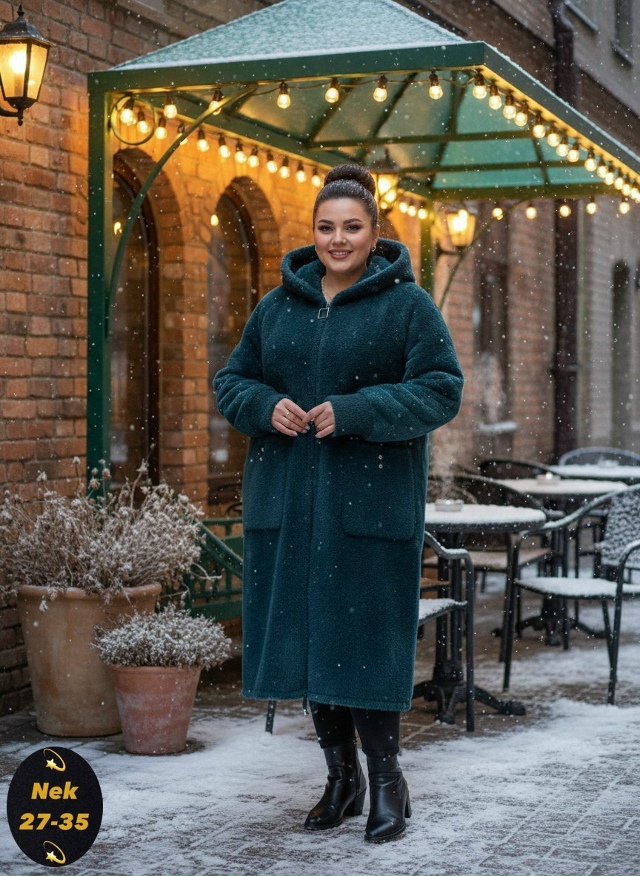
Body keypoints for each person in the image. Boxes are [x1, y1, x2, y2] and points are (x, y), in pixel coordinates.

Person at [214, 164, 463, 843]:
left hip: (367, 513)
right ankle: (340, 777)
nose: (338, 239)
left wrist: (356, 411)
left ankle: (387, 781)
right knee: (309, 647)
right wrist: (266, 405)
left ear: (375, 233)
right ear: (314, 232)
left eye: (352, 227)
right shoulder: (278, 307)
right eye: (326, 227)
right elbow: (232, 381)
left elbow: (442, 389)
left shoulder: (408, 307)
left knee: (362, 648)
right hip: (291, 507)